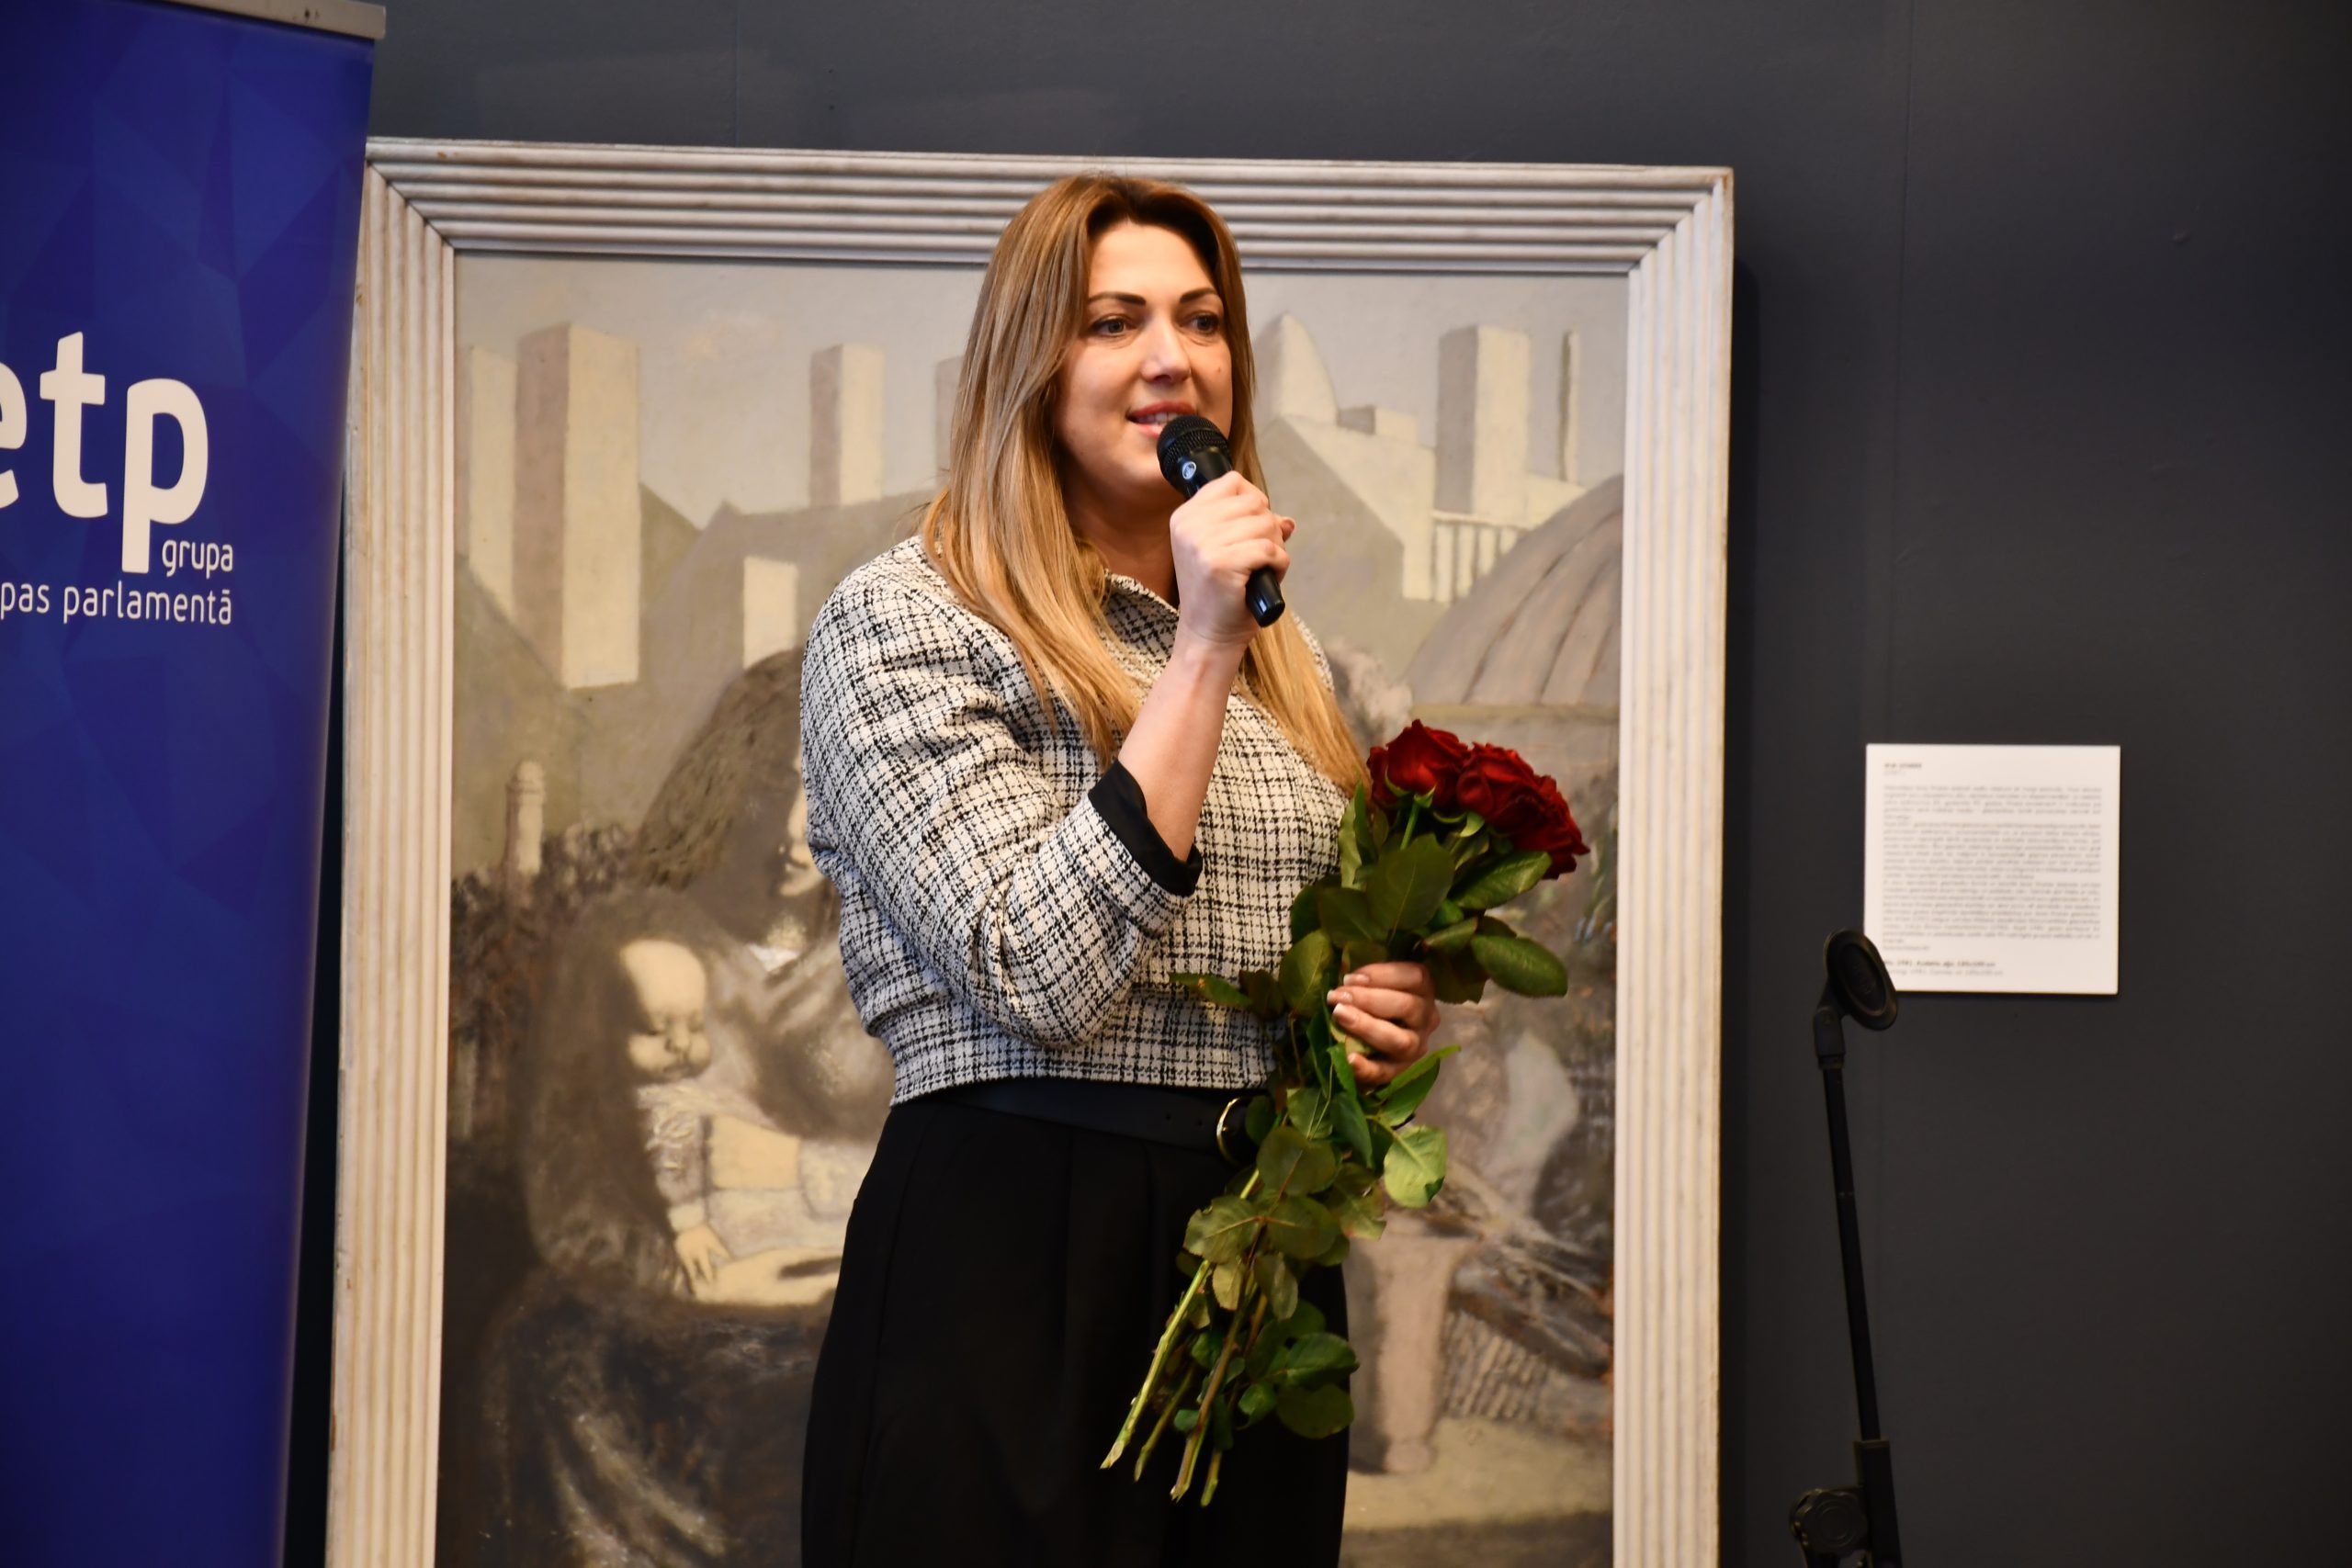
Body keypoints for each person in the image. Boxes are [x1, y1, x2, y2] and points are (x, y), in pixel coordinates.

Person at [797, 174, 1442, 1567]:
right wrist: (1201, 647)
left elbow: (1287, 957)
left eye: (1203, 321)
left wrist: (1369, 1012)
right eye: (1114, 322)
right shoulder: (906, 620)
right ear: (1031, 364)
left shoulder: (1289, 657)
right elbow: (1037, 970)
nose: (1173, 358)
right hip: (1010, 1251)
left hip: (1254, 1274)